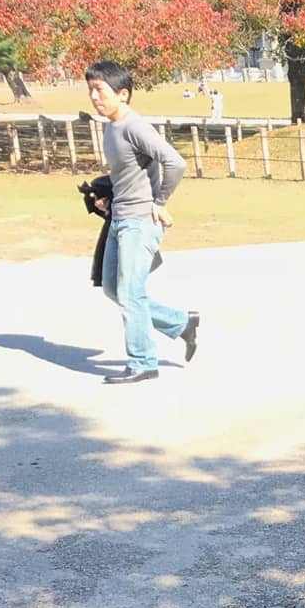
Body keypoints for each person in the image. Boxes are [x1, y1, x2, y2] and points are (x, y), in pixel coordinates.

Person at [83, 60, 199, 384]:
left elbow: (175, 162)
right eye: (90, 89)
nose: (94, 96)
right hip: (120, 218)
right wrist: (105, 196)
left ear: (123, 94)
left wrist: (159, 202)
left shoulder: (134, 126)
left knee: (131, 293)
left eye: (100, 90)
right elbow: (127, 174)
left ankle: (143, 362)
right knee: (112, 289)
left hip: (140, 222)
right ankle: (181, 324)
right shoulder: (111, 127)